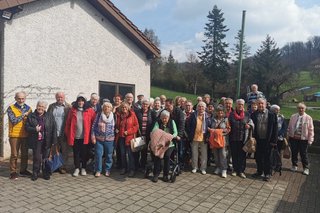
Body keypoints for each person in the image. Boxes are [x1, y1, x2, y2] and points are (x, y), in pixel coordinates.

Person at [65, 94, 96, 177]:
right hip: (75, 136)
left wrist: (93, 135)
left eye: (82, 101)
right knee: (76, 153)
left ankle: (84, 168)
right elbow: (68, 123)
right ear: (77, 101)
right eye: (79, 101)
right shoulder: (73, 110)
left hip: (85, 137)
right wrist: (68, 134)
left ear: (85, 102)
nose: (80, 102)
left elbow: (94, 123)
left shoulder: (90, 110)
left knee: (84, 153)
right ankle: (77, 168)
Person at [25, 100, 57, 181]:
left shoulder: (49, 115)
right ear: (36, 106)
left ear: (45, 108)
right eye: (39, 106)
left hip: (47, 139)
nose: (40, 108)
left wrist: (54, 141)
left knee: (45, 157)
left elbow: (54, 128)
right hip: (36, 140)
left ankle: (45, 173)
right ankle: (35, 173)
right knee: (37, 157)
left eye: (42, 107)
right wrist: (34, 129)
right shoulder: (31, 116)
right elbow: (27, 127)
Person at [7, 91, 32, 180]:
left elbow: (30, 122)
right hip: (14, 135)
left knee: (25, 154)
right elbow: (13, 120)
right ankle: (13, 172)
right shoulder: (11, 108)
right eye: (19, 98)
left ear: (25, 99)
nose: (21, 100)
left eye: (23, 98)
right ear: (15, 99)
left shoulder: (29, 108)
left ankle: (23, 170)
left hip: (25, 135)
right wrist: (23, 115)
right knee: (14, 154)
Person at [251, 98, 277, 181]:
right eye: (259, 104)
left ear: (265, 104)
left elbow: (275, 129)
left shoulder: (272, 115)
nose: (260, 105)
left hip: (268, 140)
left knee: (268, 158)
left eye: (262, 103)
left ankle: (267, 173)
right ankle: (259, 171)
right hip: (258, 140)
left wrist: (274, 141)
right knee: (258, 157)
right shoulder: (254, 114)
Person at [228, 99, 254, 179]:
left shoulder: (247, 114)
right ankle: (235, 170)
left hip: (243, 139)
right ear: (236, 105)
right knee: (234, 155)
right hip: (233, 138)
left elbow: (251, 123)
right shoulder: (231, 115)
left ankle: (241, 171)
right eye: (239, 104)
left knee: (242, 156)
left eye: (242, 105)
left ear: (244, 106)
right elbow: (228, 124)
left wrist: (249, 126)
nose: (240, 106)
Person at [47, 92, 71, 174]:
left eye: (61, 97)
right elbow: (48, 118)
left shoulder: (68, 107)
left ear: (64, 97)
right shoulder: (51, 106)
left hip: (63, 132)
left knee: (64, 150)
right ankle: (55, 166)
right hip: (53, 133)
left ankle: (63, 167)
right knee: (54, 150)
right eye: (58, 97)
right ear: (56, 98)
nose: (60, 99)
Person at [287, 102, 314, 176]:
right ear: (297, 109)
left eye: (302, 108)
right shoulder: (293, 116)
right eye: (299, 108)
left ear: (305, 109)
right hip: (293, 138)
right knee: (294, 152)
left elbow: (311, 130)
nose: (301, 109)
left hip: (303, 139)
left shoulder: (308, 118)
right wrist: (288, 135)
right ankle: (294, 165)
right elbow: (289, 127)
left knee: (303, 154)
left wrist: (310, 140)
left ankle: (306, 168)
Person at [151, 110, 178, 182]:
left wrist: (170, 136)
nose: (164, 120)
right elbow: (155, 131)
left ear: (168, 117)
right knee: (157, 156)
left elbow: (175, 132)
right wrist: (163, 135)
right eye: (162, 118)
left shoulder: (172, 122)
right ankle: (156, 174)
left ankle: (165, 175)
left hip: (169, 144)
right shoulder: (158, 122)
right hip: (160, 144)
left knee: (167, 156)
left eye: (166, 118)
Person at [91, 102, 116, 177]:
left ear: (111, 108)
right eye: (105, 107)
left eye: (108, 107)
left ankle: (107, 170)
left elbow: (117, 126)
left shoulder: (114, 116)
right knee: (98, 155)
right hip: (99, 139)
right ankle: (98, 170)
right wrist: (93, 137)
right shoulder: (99, 115)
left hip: (110, 139)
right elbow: (93, 127)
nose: (107, 108)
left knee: (109, 155)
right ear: (103, 108)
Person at [115, 102, 139, 177]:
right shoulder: (119, 115)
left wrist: (128, 132)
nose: (124, 109)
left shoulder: (132, 115)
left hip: (129, 138)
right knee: (122, 154)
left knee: (130, 154)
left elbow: (136, 126)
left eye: (125, 107)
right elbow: (117, 125)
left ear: (128, 108)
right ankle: (124, 168)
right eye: (122, 107)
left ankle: (132, 169)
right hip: (121, 138)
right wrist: (116, 129)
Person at [187, 101, 211, 175]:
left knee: (204, 154)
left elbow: (210, 127)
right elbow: (189, 125)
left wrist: (207, 136)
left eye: (202, 106)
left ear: (205, 108)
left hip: (203, 137)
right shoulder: (193, 115)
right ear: (197, 107)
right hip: (194, 137)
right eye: (199, 106)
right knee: (194, 153)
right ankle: (195, 167)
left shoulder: (207, 116)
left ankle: (203, 168)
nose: (201, 108)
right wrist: (190, 134)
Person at [209, 106, 230, 178]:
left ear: (224, 112)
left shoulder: (226, 120)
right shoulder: (213, 119)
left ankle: (224, 169)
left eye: (221, 111)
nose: (220, 113)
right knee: (216, 155)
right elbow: (210, 128)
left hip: (223, 140)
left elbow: (228, 129)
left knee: (223, 155)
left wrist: (220, 132)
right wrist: (212, 130)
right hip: (214, 140)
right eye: (218, 111)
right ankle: (218, 167)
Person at [165, 99, 185, 170]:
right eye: (166, 105)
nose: (166, 107)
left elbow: (181, 124)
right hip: (169, 134)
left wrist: (179, 135)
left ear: (172, 104)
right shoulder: (165, 111)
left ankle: (181, 164)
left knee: (180, 151)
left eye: (168, 105)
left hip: (178, 135)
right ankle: (171, 164)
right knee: (171, 150)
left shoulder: (179, 112)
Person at [135, 99, 153, 171]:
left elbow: (154, 123)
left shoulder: (152, 112)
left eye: (146, 104)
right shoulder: (137, 112)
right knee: (137, 151)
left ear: (149, 105)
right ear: (141, 105)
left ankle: (143, 165)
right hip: (139, 134)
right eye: (143, 104)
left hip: (147, 135)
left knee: (144, 151)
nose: (145, 105)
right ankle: (136, 165)